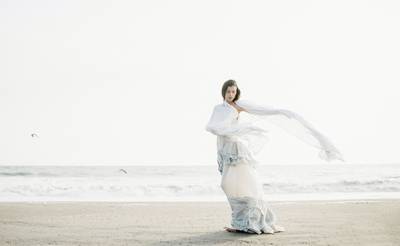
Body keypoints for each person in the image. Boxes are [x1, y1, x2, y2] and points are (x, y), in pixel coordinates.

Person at [205, 79, 344, 234]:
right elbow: (215, 126)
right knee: (230, 185)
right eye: (228, 91)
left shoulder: (239, 106)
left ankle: (249, 221)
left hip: (236, 150)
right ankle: (240, 222)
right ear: (223, 92)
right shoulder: (218, 108)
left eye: (233, 91)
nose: (231, 94)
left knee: (236, 184)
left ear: (236, 92)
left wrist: (281, 112)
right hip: (224, 149)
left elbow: (262, 110)